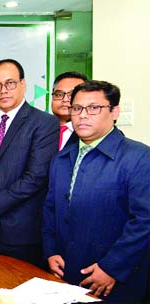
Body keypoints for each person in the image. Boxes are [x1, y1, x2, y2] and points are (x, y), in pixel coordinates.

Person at [42, 80, 150, 302]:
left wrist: (112, 268)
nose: (82, 115)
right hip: (65, 274)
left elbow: (144, 220)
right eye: (77, 108)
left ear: (114, 111)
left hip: (114, 280)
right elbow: (50, 208)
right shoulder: (61, 158)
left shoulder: (139, 157)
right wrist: (50, 251)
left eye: (93, 108)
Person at [0, 59, 59, 267]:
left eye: (10, 83)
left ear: (23, 84)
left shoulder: (43, 123)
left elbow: (35, 177)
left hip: (19, 236)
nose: (3, 90)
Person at [51, 71, 87, 150]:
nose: (65, 99)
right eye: (59, 95)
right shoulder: (40, 128)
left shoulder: (92, 131)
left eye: (72, 95)